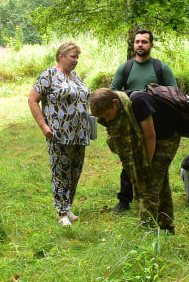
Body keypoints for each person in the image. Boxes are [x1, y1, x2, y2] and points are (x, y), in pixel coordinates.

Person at [90, 87, 179, 234]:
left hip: (166, 137)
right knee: (160, 183)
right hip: (152, 138)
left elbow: (150, 136)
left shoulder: (138, 102)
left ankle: (147, 232)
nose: (108, 120)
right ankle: (166, 227)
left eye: (108, 114)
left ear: (115, 102)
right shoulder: (117, 109)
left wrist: (146, 165)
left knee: (149, 183)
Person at [109, 28, 177, 215]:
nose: (140, 45)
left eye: (144, 42)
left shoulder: (161, 68)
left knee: (155, 161)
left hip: (156, 124)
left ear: (151, 45)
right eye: (137, 41)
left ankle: (155, 199)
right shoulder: (125, 68)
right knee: (129, 161)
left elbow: (174, 94)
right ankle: (124, 200)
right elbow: (113, 93)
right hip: (131, 124)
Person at [28, 42, 93, 227]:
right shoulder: (48, 75)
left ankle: (67, 205)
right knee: (60, 172)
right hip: (59, 134)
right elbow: (32, 100)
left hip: (80, 133)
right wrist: (43, 126)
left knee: (75, 171)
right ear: (61, 56)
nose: (76, 60)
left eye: (77, 57)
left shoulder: (75, 76)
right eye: (73, 56)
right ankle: (61, 212)